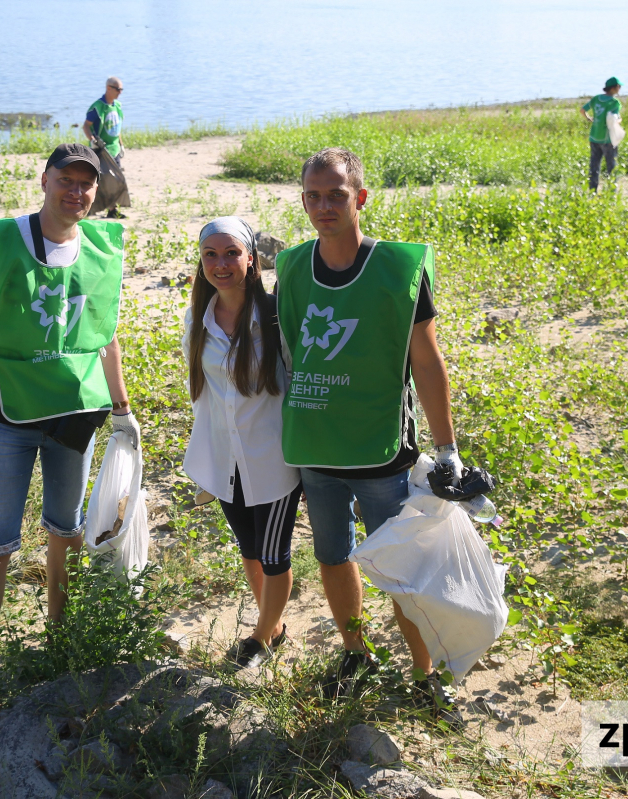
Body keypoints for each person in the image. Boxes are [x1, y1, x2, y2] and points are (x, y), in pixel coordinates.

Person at [0, 143, 140, 726]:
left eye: (87, 184)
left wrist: (122, 408)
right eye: (66, 181)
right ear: (45, 179)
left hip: (75, 419)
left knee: (66, 532)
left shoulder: (99, 248)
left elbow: (104, 335)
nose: (76, 192)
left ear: (98, 190)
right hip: (11, 420)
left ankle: (60, 644)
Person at [274, 148, 468, 717]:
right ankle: (355, 653)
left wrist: (446, 447)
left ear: (361, 197)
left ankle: (425, 670)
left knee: (401, 567)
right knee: (333, 556)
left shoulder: (398, 270)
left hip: (382, 453)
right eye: (312, 195)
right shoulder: (291, 267)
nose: (323, 206)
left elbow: (427, 363)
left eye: (336, 194)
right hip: (315, 448)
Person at [181, 216, 303, 669]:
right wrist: (206, 466)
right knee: (250, 549)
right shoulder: (198, 320)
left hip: (273, 461)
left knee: (274, 555)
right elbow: (205, 400)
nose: (221, 263)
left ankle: (260, 640)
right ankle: (273, 626)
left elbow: (297, 384)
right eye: (210, 254)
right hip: (226, 462)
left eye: (231, 253)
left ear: (252, 258)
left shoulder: (274, 315)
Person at [83, 77, 127, 218]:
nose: (120, 92)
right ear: (108, 88)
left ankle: (113, 210)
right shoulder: (98, 107)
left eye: (121, 89)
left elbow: (117, 128)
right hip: (101, 150)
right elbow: (86, 126)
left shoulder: (117, 106)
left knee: (116, 180)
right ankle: (88, 209)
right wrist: (92, 140)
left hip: (114, 150)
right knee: (101, 181)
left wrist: (121, 144)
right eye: (117, 89)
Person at [580, 77, 623, 191]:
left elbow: (582, 110)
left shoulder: (596, 99)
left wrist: (589, 118)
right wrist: (620, 120)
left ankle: (592, 191)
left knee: (594, 166)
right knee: (611, 166)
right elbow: (613, 120)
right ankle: (612, 191)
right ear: (614, 88)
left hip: (594, 137)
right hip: (608, 139)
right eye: (619, 87)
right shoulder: (614, 102)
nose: (620, 89)